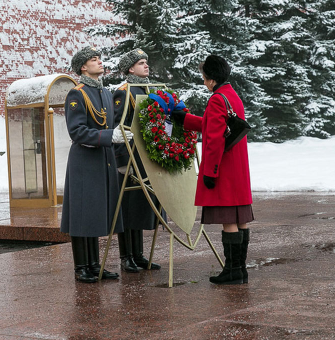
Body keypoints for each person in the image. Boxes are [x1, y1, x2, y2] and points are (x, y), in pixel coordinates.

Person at [171, 55, 253, 285]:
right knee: (240, 219)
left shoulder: (217, 99)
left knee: (229, 220)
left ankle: (232, 271)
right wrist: (186, 119)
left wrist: (210, 171)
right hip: (237, 168)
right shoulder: (231, 95)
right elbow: (212, 124)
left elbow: (215, 138)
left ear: (211, 79)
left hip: (224, 169)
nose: (204, 82)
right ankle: (240, 270)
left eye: (204, 78)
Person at [60, 46, 133, 283]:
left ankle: (94, 265)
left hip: (103, 159)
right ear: (83, 67)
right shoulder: (77, 94)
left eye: (100, 59)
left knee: (94, 213)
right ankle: (82, 266)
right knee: (83, 214)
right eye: (94, 60)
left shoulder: (104, 92)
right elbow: (77, 131)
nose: (100, 63)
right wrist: (108, 136)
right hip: (85, 160)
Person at [113, 48, 162, 273]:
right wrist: (123, 160)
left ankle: (139, 254)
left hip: (146, 157)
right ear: (130, 69)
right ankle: (126, 256)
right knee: (128, 207)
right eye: (141, 63)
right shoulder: (124, 92)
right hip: (131, 158)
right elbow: (119, 127)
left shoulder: (148, 89)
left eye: (146, 62)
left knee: (141, 205)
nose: (146, 65)